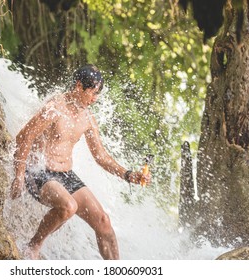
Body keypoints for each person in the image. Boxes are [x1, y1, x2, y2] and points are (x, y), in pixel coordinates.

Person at [10, 64, 151, 260]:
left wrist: (128, 174)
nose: (95, 99)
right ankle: (33, 246)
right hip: (38, 172)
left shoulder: (87, 118)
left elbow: (101, 156)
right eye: (93, 93)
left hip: (64, 175)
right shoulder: (55, 108)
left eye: (97, 95)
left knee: (103, 221)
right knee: (69, 206)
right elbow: (23, 137)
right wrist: (18, 175)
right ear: (79, 86)